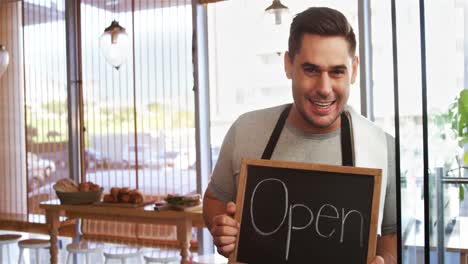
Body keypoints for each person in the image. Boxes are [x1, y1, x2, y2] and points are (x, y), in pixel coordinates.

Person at [203, 6, 397, 264]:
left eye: (337, 71)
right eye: (311, 70)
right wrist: (221, 228)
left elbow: (391, 236)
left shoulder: (382, 147)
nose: (324, 88)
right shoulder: (245, 130)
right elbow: (214, 199)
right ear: (288, 65)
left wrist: (385, 260)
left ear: (354, 70)